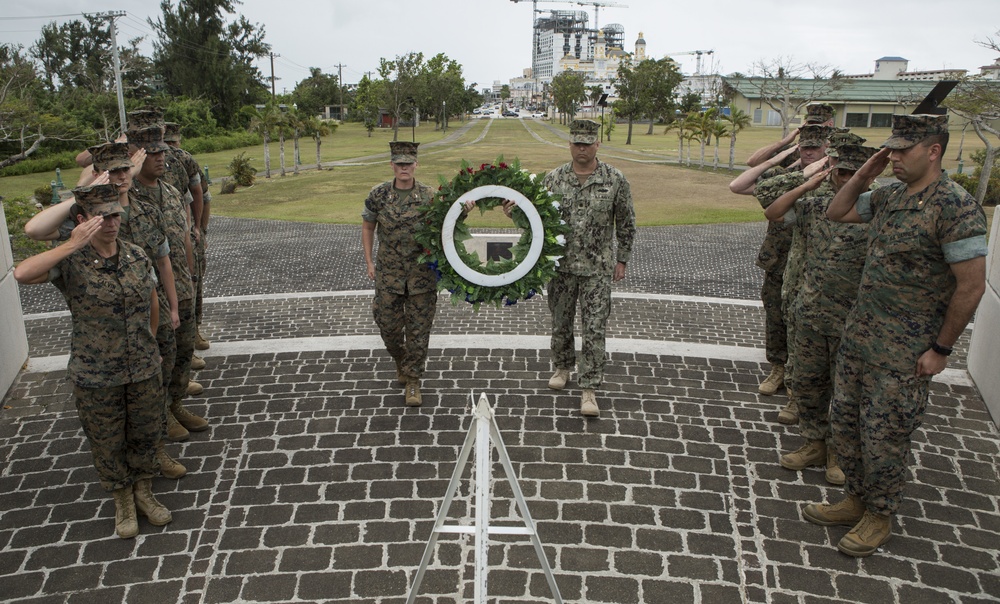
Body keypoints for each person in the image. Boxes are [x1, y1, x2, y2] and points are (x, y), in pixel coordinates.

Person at [808, 114, 987, 557]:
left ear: (933, 151)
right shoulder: (889, 196)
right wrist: (866, 173)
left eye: (903, 150)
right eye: (890, 149)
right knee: (846, 424)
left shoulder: (955, 206)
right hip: (861, 336)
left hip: (905, 351)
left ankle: (880, 514)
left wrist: (941, 349)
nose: (894, 157)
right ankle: (855, 498)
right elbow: (838, 211)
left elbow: (971, 286)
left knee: (885, 435)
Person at [13, 183, 173, 539]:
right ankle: (123, 501)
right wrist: (71, 243)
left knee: (147, 430)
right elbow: (22, 274)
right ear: (83, 220)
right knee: (106, 438)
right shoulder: (70, 261)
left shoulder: (135, 254)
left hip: (143, 365)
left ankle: (144, 492)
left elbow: (152, 299)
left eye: (115, 215)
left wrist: (152, 342)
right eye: (102, 217)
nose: (112, 223)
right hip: (96, 371)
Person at [762, 143, 878, 485]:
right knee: (809, 387)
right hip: (811, 314)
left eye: (853, 173)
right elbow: (774, 212)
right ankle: (814, 443)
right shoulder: (814, 206)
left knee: (846, 396)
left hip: (853, 321)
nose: (845, 179)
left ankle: (839, 455)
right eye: (841, 171)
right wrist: (807, 185)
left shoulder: (877, 209)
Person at [539, 119, 635, 417]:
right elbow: (537, 218)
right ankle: (562, 367)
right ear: (569, 145)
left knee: (594, 327)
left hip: (597, 268)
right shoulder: (553, 179)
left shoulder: (614, 179)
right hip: (561, 267)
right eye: (577, 143)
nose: (582, 148)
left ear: (597, 145)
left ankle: (589, 387)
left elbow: (627, 222)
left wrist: (622, 259)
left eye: (587, 143)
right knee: (560, 322)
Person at [129, 124, 207, 438]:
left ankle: (175, 405)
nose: (161, 157)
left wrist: (189, 272)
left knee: (182, 352)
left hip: (180, 284)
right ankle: (160, 415)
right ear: (137, 157)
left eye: (162, 151)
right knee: (161, 356)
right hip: (153, 293)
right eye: (153, 153)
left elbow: (182, 233)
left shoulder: (170, 189)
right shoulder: (128, 198)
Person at [362, 141, 438, 406]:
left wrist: (465, 208)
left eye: (408, 162)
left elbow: (448, 225)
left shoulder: (430, 196)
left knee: (419, 333)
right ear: (392, 165)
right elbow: (368, 227)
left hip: (421, 277)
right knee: (390, 330)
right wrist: (370, 262)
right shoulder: (378, 195)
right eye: (399, 163)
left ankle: (413, 381)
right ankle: (400, 358)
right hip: (389, 275)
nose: (404, 167)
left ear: (416, 164)